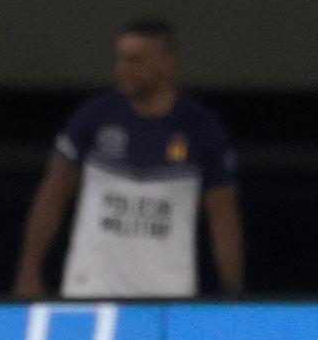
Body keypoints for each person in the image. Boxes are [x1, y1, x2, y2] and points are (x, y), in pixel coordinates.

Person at [13, 19, 244, 299]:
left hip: (166, 296)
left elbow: (223, 217)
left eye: (135, 60)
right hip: (91, 289)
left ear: (166, 62)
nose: (123, 69)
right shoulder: (95, 117)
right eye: (120, 59)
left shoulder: (200, 127)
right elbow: (52, 195)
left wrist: (233, 290)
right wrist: (29, 270)